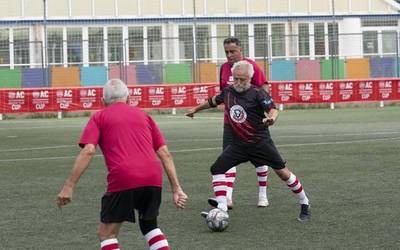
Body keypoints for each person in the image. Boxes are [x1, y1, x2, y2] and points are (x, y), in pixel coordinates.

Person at [56, 79, 188, 250]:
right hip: (153, 177)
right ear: (129, 98)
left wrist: (69, 186)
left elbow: (88, 150)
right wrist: (177, 189)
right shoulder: (144, 116)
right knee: (150, 226)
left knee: (107, 234)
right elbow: (165, 153)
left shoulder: (99, 117)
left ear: (102, 102)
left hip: (125, 177)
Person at [186, 61, 310, 221]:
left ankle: (304, 203)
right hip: (238, 145)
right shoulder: (229, 91)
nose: (237, 82)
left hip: (260, 143)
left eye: (242, 79)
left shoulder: (258, 93)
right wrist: (195, 109)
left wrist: (271, 119)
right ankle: (222, 208)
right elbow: (213, 101)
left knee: (283, 173)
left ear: (250, 78)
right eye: (235, 78)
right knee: (217, 168)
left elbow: (273, 110)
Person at [217, 37, 270, 209]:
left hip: (252, 124)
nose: (229, 55)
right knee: (227, 158)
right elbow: (224, 91)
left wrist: (264, 110)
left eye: (232, 51)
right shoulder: (224, 68)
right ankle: (228, 198)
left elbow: (264, 88)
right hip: (231, 123)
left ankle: (262, 194)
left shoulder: (251, 66)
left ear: (241, 49)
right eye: (226, 52)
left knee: (260, 158)